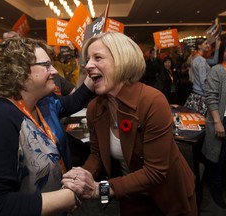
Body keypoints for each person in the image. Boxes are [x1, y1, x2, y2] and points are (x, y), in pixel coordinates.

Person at [62, 32, 197, 216]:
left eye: (98, 58)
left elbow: (154, 172)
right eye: (87, 59)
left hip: (169, 197)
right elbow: (97, 155)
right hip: (129, 196)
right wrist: (80, 178)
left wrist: (98, 189)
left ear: (121, 60)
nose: (88, 66)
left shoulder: (152, 101)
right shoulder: (95, 107)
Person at [0, 37, 93, 216]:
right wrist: (70, 197)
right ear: (19, 72)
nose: (54, 71)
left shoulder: (42, 103)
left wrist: (92, 76)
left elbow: (72, 102)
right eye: (46, 65)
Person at [202, 39, 226, 208]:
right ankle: (215, 186)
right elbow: (211, 97)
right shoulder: (217, 70)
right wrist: (217, 122)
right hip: (221, 119)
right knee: (219, 156)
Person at [184, 38, 212, 115]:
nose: (208, 45)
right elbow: (203, 80)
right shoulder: (201, 60)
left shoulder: (194, 58)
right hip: (201, 94)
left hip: (196, 92)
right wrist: (209, 96)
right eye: (206, 44)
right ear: (199, 46)